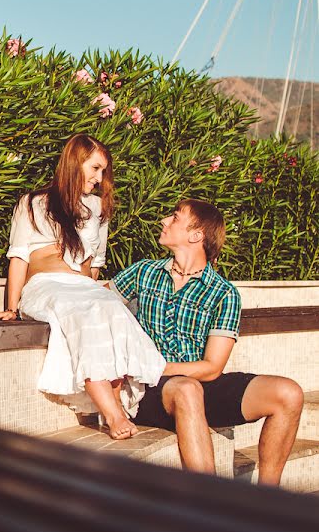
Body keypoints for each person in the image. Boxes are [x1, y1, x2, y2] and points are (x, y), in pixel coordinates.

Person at [108, 199, 304, 485]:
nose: (164, 221)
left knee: (289, 393)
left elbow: (212, 368)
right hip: (150, 391)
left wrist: (155, 366)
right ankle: (209, 506)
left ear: (196, 235)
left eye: (174, 218)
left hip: (197, 383)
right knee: (187, 389)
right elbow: (98, 304)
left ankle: (266, 500)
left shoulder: (223, 293)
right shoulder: (143, 272)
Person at [0, 134, 165, 439]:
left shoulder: (97, 208)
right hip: (46, 285)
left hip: (83, 286)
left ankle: (115, 403)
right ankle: (112, 413)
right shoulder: (32, 203)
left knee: (111, 308)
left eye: (103, 171)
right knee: (82, 308)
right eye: (95, 168)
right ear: (75, 162)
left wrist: (94, 292)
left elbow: (95, 267)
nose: (99, 178)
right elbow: (18, 258)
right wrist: (11, 308)